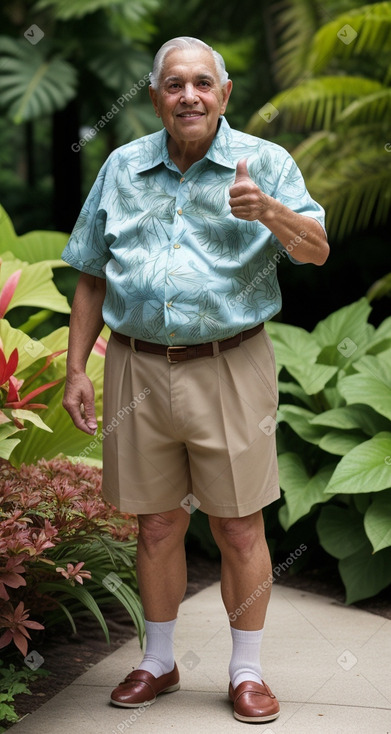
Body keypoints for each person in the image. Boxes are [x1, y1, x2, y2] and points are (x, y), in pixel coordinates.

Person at [62, 36, 329, 724]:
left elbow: (316, 251)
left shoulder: (263, 163)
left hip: (230, 365)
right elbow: (91, 274)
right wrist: (74, 371)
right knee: (154, 525)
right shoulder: (121, 167)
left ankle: (246, 672)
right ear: (155, 97)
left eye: (202, 83)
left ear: (224, 93)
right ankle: (158, 660)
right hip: (135, 365)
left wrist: (265, 210)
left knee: (239, 528)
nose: (189, 95)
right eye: (174, 84)